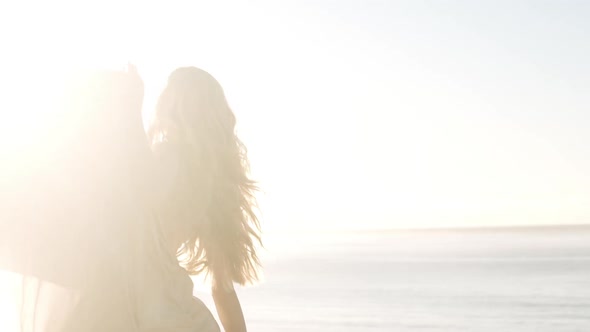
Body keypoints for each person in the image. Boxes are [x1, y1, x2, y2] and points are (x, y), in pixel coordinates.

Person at [146, 66, 262, 332]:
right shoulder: (214, 184)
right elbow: (222, 291)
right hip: (169, 303)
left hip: (133, 297)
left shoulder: (163, 158)